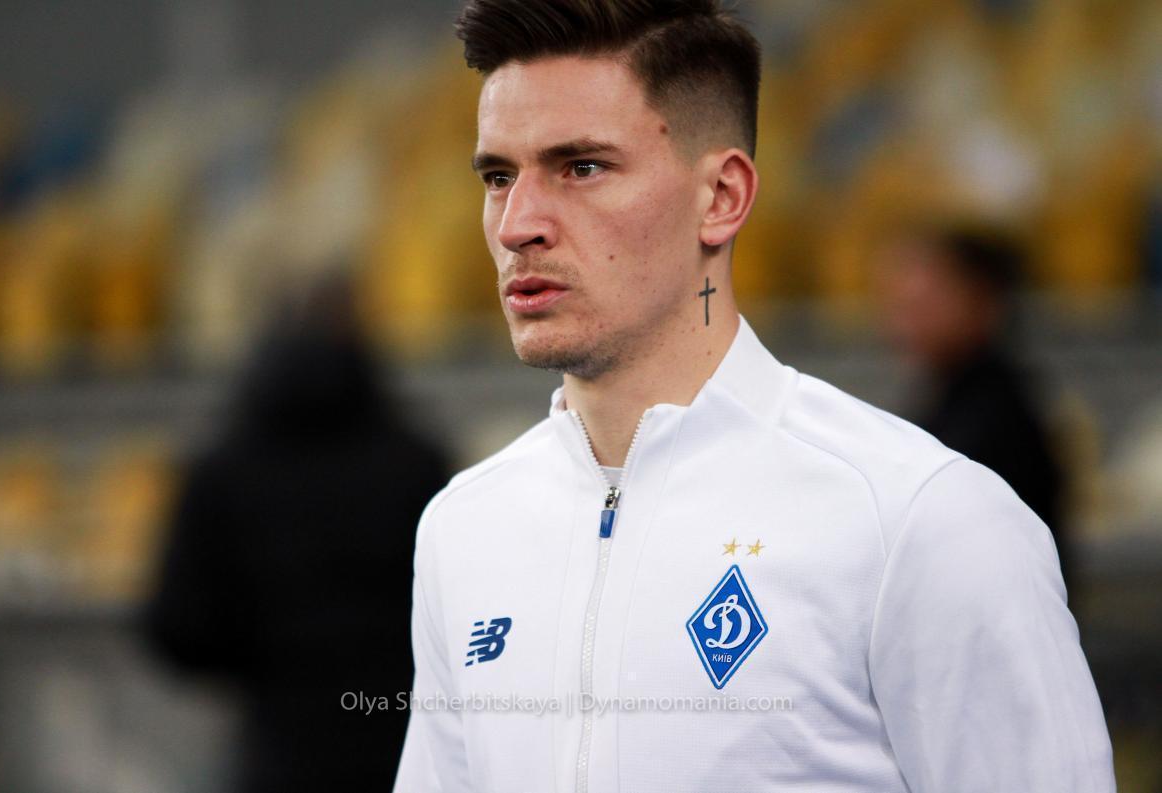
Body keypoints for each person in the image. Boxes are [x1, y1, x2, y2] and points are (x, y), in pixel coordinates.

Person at [393, 2, 1115, 791]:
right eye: (499, 177)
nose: (517, 225)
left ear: (722, 197)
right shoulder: (463, 529)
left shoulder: (921, 520)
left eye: (582, 167)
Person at [145, 276, 450, 793]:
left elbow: (178, 626)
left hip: (278, 751)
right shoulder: (416, 463)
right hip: (397, 743)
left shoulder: (222, 472)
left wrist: (263, 656)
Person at [877, 224, 1074, 592]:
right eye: (899, 308)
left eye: (923, 305)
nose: (900, 326)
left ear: (983, 301)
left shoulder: (999, 417)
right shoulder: (946, 398)